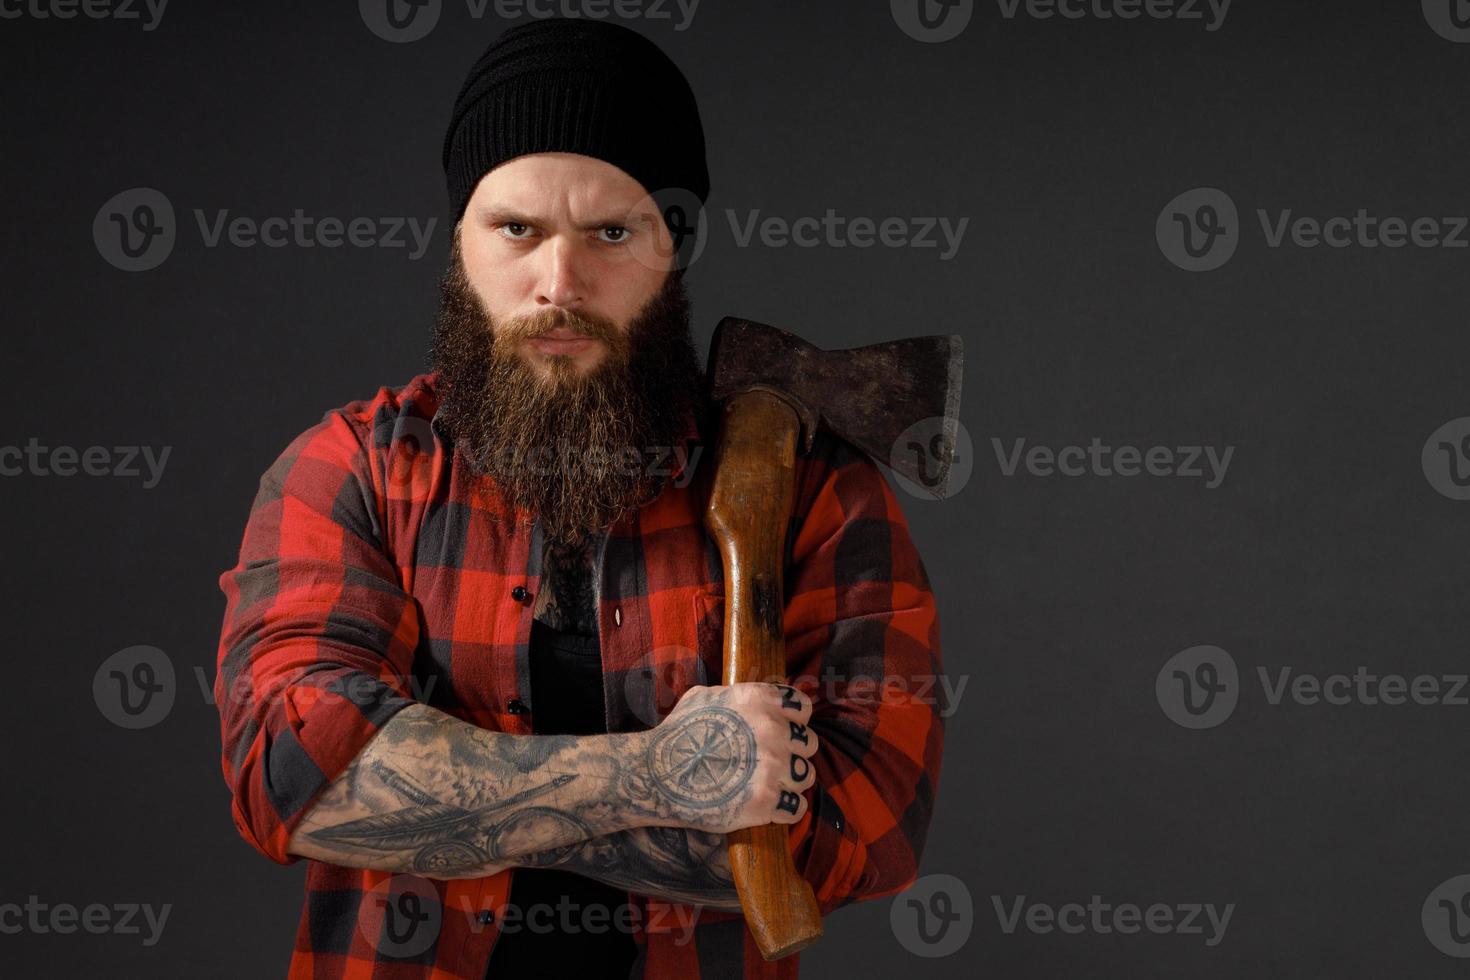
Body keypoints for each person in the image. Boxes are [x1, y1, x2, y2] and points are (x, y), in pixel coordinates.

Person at [213, 17, 944, 979]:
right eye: (517, 228)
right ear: (459, 242)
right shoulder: (351, 470)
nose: (560, 283)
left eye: (610, 231)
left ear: (670, 249)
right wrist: (661, 775)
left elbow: (870, 828)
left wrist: (436, 792)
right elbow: (293, 777)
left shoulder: (808, 492)